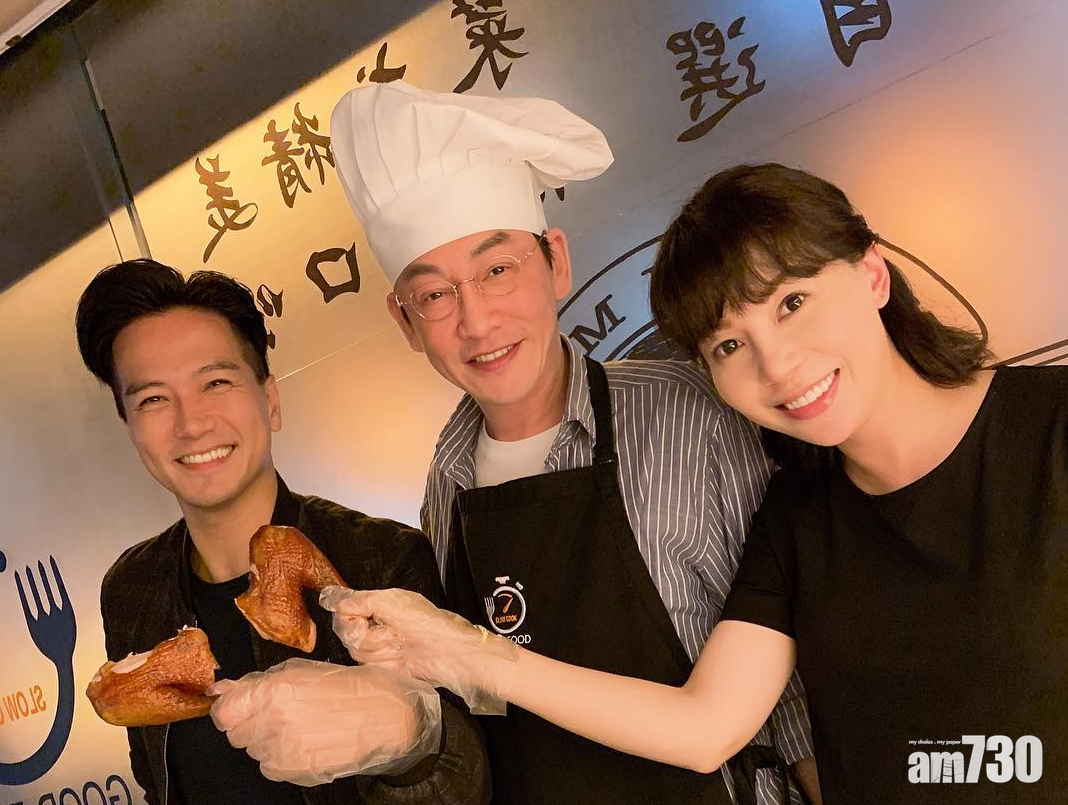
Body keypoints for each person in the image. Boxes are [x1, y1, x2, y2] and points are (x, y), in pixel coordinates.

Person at [325, 163, 1068, 804]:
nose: (777, 365)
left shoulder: (1050, 427)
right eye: (730, 344)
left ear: (873, 273)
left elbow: (784, 729)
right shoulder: (797, 515)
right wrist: (454, 653)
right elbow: (706, 723)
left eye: (793, 303)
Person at [316, 82, 817, 805]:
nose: (477, 322)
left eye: (497, 270)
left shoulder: (688, 412)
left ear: (555, 260)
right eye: (435, 295)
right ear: (405, 322)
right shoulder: (446, 482)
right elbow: (488, 720)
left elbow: (797, 682)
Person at [75, 260, 490, 805]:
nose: (191, 423)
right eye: (152, 399)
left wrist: (410, 738)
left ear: (270, 399)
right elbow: (158, 782)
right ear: (132, 430)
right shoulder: (131, 589)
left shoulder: (383, 558)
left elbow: (466, 780)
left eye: (216, 383)